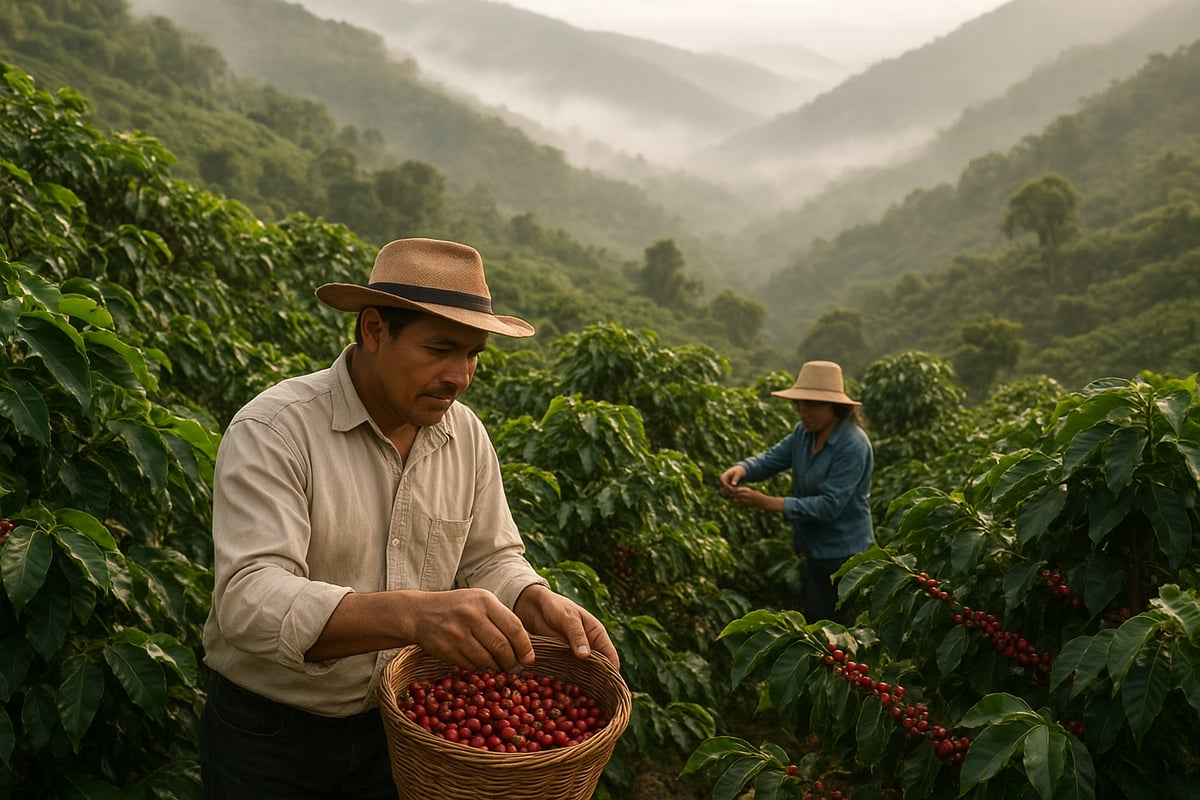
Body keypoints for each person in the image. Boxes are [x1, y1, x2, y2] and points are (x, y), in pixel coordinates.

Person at [200, 237, 620, 799]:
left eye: (473, 355)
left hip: (400, 733)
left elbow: (490, 557)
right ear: (374, 330)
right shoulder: (276, 430)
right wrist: (412, 616)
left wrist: (532, 596)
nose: (461, 376)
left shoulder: (464, 435)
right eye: (440, 349)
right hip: (273, 735)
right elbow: (247, 602)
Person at [719, 360, 874, 624]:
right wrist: (742, 469)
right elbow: (771, 459)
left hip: (845, 557)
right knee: (818, 627)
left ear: (835, 407)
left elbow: (830, 506)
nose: (804, 411)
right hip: (811, 551)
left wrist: (768, 503)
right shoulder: (803, 434)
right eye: (801, 403)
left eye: (814, 405)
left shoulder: (853, 445)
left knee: (843, 634)